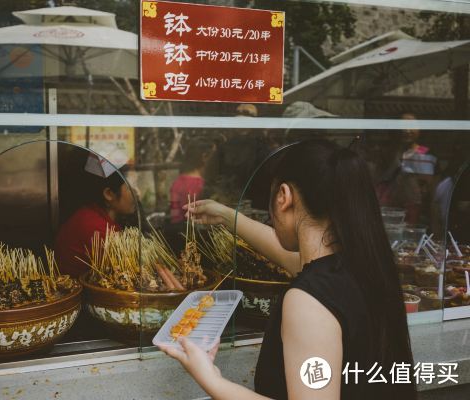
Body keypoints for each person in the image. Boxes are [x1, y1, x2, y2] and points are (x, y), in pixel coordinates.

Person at [157, 140, 416, 400]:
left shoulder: (308, 302)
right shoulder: (361, 265)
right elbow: (290, 257)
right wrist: (227, 217)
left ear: (283, 196)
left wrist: (211, 379)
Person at [54, 157, 136, 277]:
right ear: (109, 194)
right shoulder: (98, 230)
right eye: (130, 188)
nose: (137, 192)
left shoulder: (90, 214)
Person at [169, 139, 216, 223]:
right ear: (204, 157)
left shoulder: (177, 183)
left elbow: (174, 216)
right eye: (214, 156)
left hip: (181, 230)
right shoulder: (202, 185)